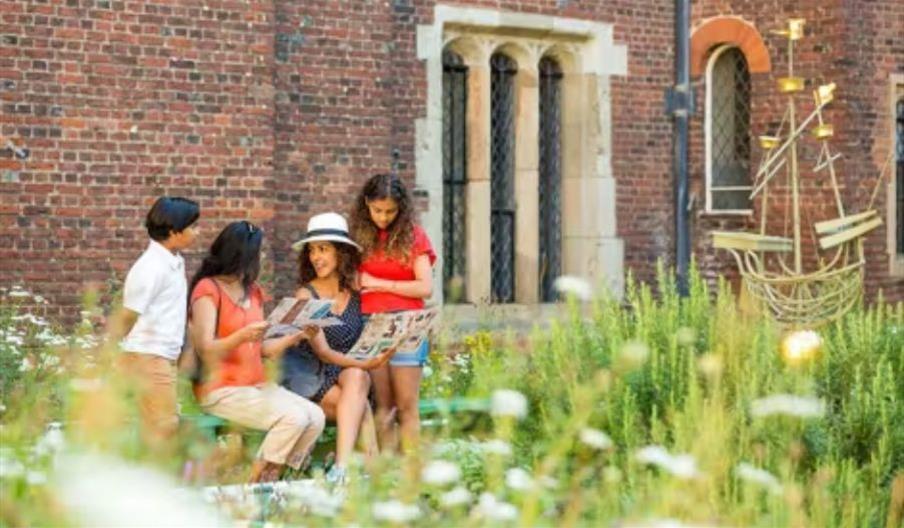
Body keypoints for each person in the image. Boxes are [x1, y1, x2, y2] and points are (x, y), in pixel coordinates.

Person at [188, 221, 325, 483]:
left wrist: (296, 335)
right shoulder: (208, 289)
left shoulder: (254, 291)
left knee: (315, 417)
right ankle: (254, 485)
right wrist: (240, 336)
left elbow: (262, 349)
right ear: (241, 255)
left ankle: (282, 478)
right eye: (258, 252)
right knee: (293, 418)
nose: (261, 257)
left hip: (257, 386)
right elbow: (206, 349)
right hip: (221, 389)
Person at [283, 212, 390, 485]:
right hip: (314, 376)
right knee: (361, 402)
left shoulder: (355, 291)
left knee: (356, 378)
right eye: (311, 251)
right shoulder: (306, 295)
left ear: (341, 253)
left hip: (349, 376)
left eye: (323, 249)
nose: (315, 257)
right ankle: (365, 473)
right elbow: (323, 353)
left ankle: (342, 471)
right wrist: (369, 364)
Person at [350, 174, 436, 452]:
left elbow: (425, 287)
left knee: (407, 406)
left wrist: (378, 284)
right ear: (366, 204)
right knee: (384, 406)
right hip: (372, 324)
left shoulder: (414, 236)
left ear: (401, 209)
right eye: (377, 210)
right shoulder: (358, 238)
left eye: (390, 211)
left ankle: (412, 474)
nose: (383, 218)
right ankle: (385, 476)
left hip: (408, 324)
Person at [113, 196, 200, 452]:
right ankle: (157, 481)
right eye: (193, 226)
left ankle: (151, 478)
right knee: (164, 425)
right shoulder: (150, 267)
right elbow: (128, 314)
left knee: (157, 424)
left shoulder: (172, 260)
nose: (198, 231)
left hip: (163, 355)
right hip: (149, 355)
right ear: (174, 232)